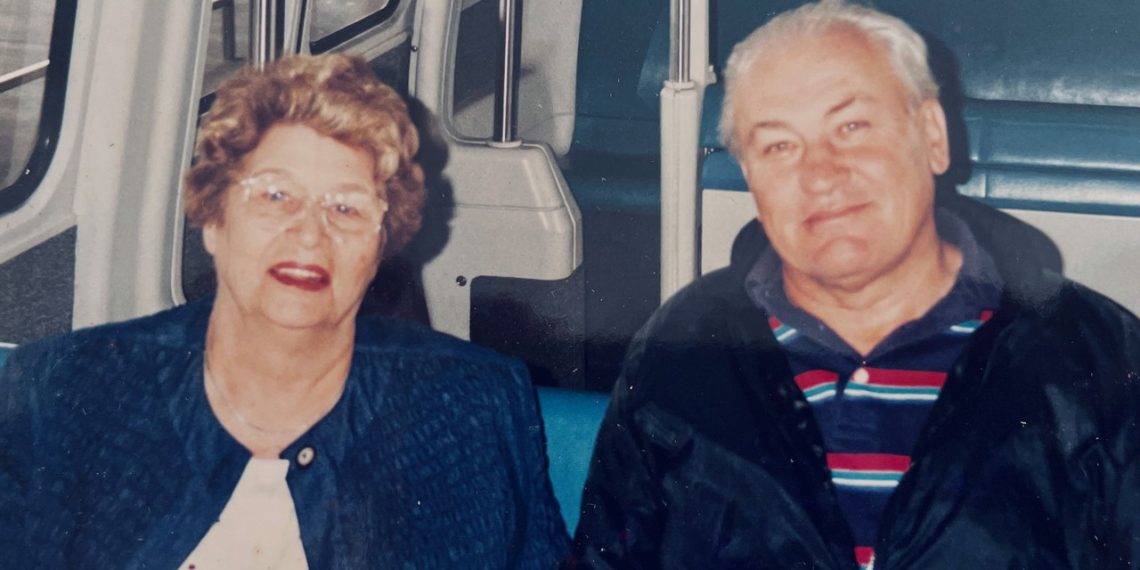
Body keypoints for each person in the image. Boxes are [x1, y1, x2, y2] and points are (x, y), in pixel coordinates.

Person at [571, 1, 1140, 568]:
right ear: (750, 178)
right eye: (779, 146)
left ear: (933, 136)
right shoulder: (681, 347)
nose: (820, 174)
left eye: (852, 127)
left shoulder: (1096, 355)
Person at [0, 53, 569, 568]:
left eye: (346, 208)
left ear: (380, 247)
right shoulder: (66, 391)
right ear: (214, 218)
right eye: (275, 195)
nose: (309, 234)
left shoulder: (472, 405)